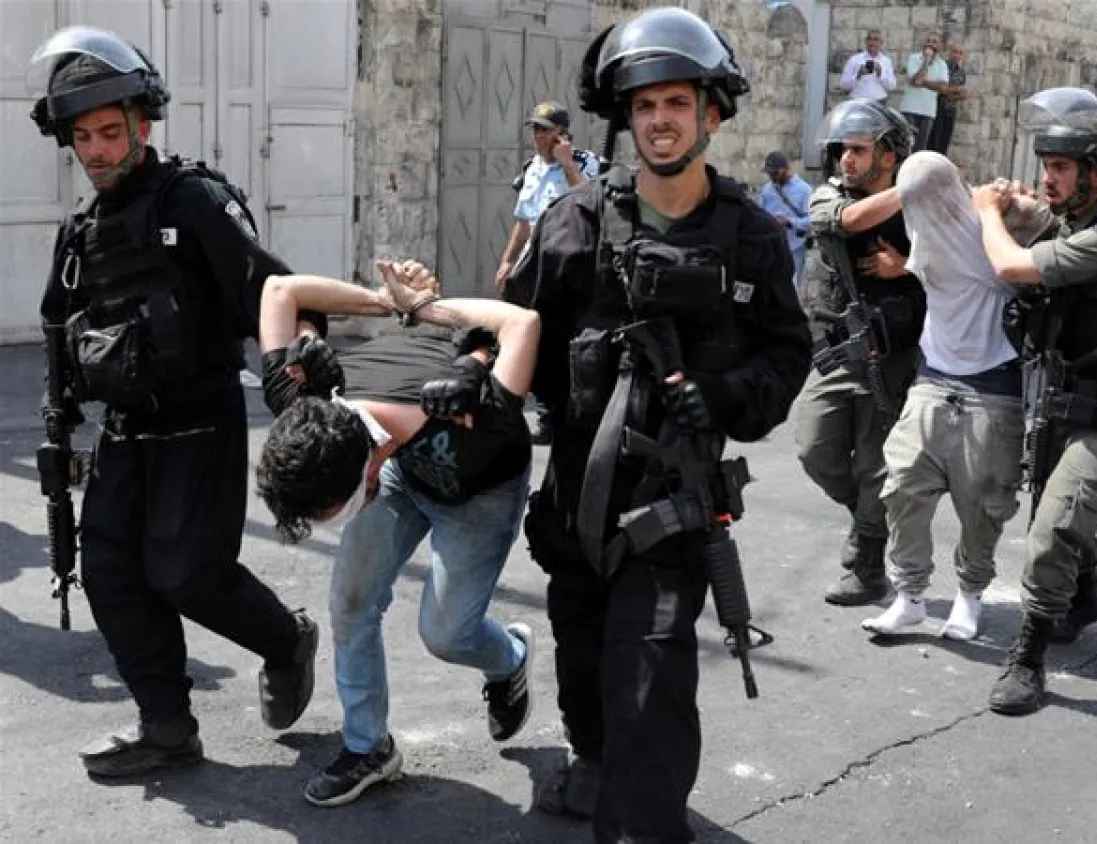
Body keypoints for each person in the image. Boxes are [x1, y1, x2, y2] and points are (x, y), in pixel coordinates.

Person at [500, 8, 811, 840]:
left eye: (677, 102)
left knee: (651, 683)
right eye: (645, 105)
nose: (661, 120)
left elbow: (788, 352)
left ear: (712, 115)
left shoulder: (751, 236)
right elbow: (514, 331)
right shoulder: (574, 221)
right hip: (576, 500)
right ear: (625, 117)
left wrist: (727, 393)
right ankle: (592, 756)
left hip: (672, 505)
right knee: (583, 657)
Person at [29, 26, 319, 776]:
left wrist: (299, 363)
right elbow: (60, 328)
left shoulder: (192, 202)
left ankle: (286, 640)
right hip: (126, 429)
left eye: (109, 133)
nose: (95, 151)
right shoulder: (81, 233)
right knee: (111, 574)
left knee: (186, 572)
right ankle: (166, 726)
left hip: (201, 417)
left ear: (143, 126)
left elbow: (273, 290)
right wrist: (58, 422)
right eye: (82, 137)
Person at [252, 261, 540, 807]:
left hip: (478, 490)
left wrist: (423, 309)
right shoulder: (303, 402)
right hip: (397, 472)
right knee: (351, 603)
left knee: (448, 635)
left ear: (360, 473)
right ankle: (368, 747)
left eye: (333, 510)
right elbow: (279, 289)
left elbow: (522, 322)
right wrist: (386, 302)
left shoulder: (477, 419)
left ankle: (510, 657)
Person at [970, 87, 1097, 716]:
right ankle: (1086, 594)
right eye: (1045, 165)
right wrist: (1014, 205)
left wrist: (988, 212)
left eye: (1060, 167)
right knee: (1052, 510)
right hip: (1062, 393)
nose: (1047, 178)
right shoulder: (1078, 222)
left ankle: (1028, 658)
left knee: (1054, 526)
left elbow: (1011, 267)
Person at [858, 151, 1045, 641]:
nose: (930, 209)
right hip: (933, 377)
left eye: (937, 194)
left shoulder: (993, 226)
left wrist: (1012, 205)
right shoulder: (922, 238)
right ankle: (909, 597)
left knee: (983, 505)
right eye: (916, 199)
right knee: (902, 487)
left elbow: (1040, 224)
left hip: (992, 385)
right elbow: (918, 260)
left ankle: (969, 597)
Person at [795, 98, 926, 607]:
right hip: (837, 352)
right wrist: (913, 186)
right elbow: (846, 221)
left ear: (889, 155)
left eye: (858, 150)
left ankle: (866, 561)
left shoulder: (922, 212)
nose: (846, 159)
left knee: (875, 464)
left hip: (891, 356)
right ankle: (869, 515)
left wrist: (906, 267)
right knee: (815, 450)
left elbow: (958, 271)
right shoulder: (828, 196)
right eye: (841, 150)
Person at [495, 101, 599, 446]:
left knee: (565, 339)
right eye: (535, 130)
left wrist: (568, 165)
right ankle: (544, 415)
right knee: (532, 337)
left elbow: (592, 205)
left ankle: (570, 412)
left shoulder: (587, 163)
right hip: (533, 267)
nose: (538, 136)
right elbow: (523, 222)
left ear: (561, 133)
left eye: (544, 129)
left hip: (570, 267)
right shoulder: (532, 169)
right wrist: (508, 261)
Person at [758, 151, 813, 293]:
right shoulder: (767, 189)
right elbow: (760, 214)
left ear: (785, 169)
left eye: (774, 173)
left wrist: (790, 222)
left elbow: (812, 220)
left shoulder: (804, 190)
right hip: (772, 247)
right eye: (769, 173)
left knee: (792, 288)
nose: (771, 177)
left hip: (794, 248)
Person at [898, 32, 949, 152]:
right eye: (928, 41)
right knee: (906, 146)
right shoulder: (913, 58)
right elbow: (916, 81)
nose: (930, 44)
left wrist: (923, 82)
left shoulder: (942, 64)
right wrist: (926, 60)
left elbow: (943, 87)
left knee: (920, 149)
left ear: (939, 46)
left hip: (928, 112)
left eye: (934, 42)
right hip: (910, 109)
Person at [927, 40, 968, 156]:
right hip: (938, 109)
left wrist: (953, 92)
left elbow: (963, 94)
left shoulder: (961, 72)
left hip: (951, 110)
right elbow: (942, 89)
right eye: (955, 52)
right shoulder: (942, 67)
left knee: (944, 143)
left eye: (960, 53)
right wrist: (956, 90)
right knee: (933, 142)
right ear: (950, 52)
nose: (957, 55)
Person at [839, 30, 897, 103]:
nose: (872, 42)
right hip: (857, 101)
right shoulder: (854, 59)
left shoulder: (886, 61)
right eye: (869, 39)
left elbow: (892, 86)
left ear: (881, 43)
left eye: (875, 39)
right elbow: (843, 85)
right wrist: (858, 76)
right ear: (866, 41)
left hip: (879, 101)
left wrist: (880, 75)